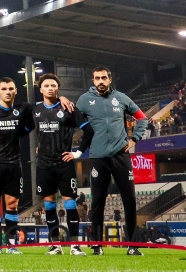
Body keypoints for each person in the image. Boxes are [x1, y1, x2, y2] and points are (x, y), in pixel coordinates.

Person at [74, 66, 148, 256]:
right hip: (98, 157)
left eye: (104, 78)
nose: (100, 81)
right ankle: (97, 245)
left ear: (110, 79)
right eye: (97, 78)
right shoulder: (84, 100)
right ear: (93, 81)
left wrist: (134, 139)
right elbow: (70, 119)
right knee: (97, 202)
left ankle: (133, 245)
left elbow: (142, 118)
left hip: (120, 156)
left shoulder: (122, 98)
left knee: (130, 200)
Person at [0, 76, 30, 254]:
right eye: (4, 89)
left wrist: (62, 98)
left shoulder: (22, 109)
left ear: (15, 91)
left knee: (12, 204)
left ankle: (11, 243)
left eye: (11, 88)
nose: (8, 92)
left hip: (14, 163)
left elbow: (35, 117)